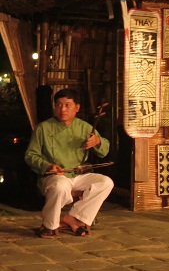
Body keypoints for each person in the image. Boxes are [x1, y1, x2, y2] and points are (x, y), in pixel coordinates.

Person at [24, 88, 114, 238]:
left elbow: (103, 152)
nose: (63, 109)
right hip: (54, 176)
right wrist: (48, 166)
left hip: (78, 175)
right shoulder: (43, 128)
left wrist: (97, 141)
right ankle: (49, 225)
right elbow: (30, 155)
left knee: (106, 182)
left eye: (67, 105)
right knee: (60, 185)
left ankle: (75, 217)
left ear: (77, 108)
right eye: (58, 105)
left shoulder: (85, 127)